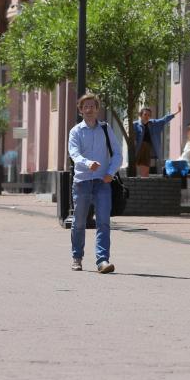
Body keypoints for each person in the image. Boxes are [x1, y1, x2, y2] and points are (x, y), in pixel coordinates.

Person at [67, 92, 123, 274]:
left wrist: (110, 172)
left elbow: (117, 154)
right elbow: (74, 154)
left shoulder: (106, 129)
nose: (89, 109)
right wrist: (88, 163)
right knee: (79, 222)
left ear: (98, 109)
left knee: (104, 222)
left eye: (93, 106)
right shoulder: (75, 131)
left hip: (102, 182)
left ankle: (102, 260)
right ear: (81, 110)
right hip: (82, 181)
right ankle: (77, 257)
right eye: (86, 107)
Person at [132, 102, 180, 177]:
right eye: (145, 114)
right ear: (141, 115)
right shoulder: (135, 124)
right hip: (138, 149)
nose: (147, 116)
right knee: (138, 170)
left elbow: (165, 119)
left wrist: (177, 112)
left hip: (147, 149)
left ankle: (144, 185)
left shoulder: (153, 124)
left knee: (145, 172)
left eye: (149, 115)